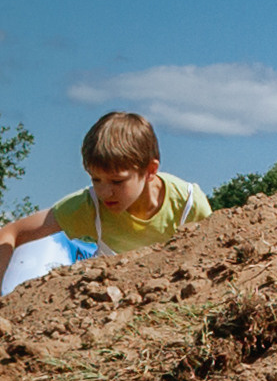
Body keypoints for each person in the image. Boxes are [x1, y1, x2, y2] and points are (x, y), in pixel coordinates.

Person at [0, 111, 210, 295]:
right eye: (95, 179)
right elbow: (12, 232)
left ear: (150, 171)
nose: (104, 192)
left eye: (117, 181)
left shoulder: (189, 205)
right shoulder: (91, 206)